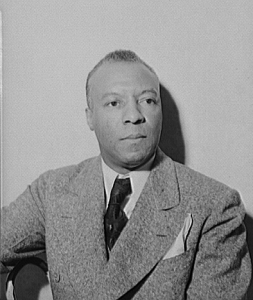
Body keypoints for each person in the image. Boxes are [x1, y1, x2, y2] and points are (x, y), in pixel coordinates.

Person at [0, 50, 251, 299]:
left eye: (148, 101)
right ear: (90, 117)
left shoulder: (216, 206)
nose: (134, 116)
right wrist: (27, 283)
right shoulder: (52, 190)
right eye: (114, 103)